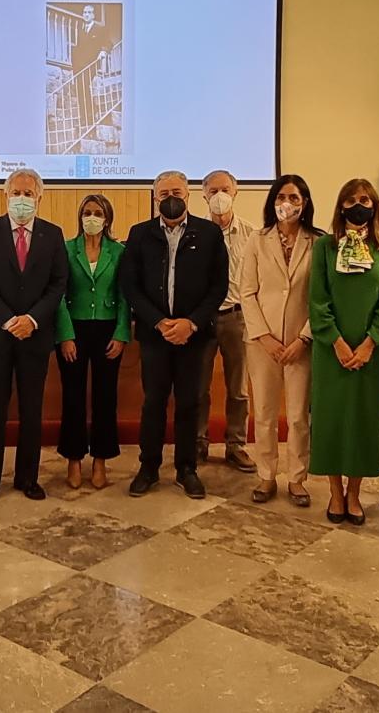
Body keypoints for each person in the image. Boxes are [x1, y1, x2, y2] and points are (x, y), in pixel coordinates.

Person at [120, 170, 229, 500]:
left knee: (189, 402)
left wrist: (190, 323)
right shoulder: (139, 234)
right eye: (164, 194)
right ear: (155, 198)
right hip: (155, 335)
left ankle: (186, 468)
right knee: (153, 402)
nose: (171, 199)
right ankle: (149, 467)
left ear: (188, 195)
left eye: (177, 193)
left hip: (193, 336)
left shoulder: (209, 234)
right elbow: (130, 286)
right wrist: (158, 322)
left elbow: (218, 286)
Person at [0, 168, 69, 504]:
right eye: (16, 193)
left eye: (28, 194)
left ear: (39, 197)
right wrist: (8, 319)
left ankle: (28, 478)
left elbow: (58, 283)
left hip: (34, 337)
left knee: (31, 410)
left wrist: (32, 319)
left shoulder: (52, 235)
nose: (22, 199)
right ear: (6, 195)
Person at [308, 178, 379, 526]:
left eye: (365, 199)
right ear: (341, 206)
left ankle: (355, 493)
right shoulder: (325, 246)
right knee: (330, 419)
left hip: (371, 352)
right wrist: (337, 341)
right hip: (331, 349)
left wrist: (370, 343)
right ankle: (335, 492)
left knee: (363, 419)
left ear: (374, 205)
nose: (358, 205)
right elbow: (317, 298)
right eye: (351, 200)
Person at [241, 174, 320, 506]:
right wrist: (265, 337)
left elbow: (322, 297)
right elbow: (247, 292)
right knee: (264, 412)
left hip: (302, 343)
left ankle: (297, 478)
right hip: (263, 343)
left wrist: (304, 338)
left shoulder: (318, 242)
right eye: (281, 197)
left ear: (305, 203)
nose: (287, 204)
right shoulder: (257, 240)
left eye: (294, 198)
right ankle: (266, 475)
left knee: (299, 415)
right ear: (272, 202)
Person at [55, 194, 131, 490]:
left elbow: (125, 297)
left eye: (98, 213)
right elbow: (58, 294)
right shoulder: (65, 249)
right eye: (87, 212)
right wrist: (65, 335)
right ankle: (73, 459)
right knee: (72, 397)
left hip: (107, 330)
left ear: (107, 218)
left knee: (105, 397)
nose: (91, 218)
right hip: (74, 329)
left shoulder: (119, 251)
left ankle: (100, 460)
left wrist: (121, 334)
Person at [196, 169, 256, 473]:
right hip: (202, 319)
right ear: (204, 195)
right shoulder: (195, 233)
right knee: (198, 386)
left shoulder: (252, 235)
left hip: (237, 317)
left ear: (235, 192)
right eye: (213, 191)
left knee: (238, 388)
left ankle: (236, 444)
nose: (219, 196)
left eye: (225, 190)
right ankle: (198, 442)